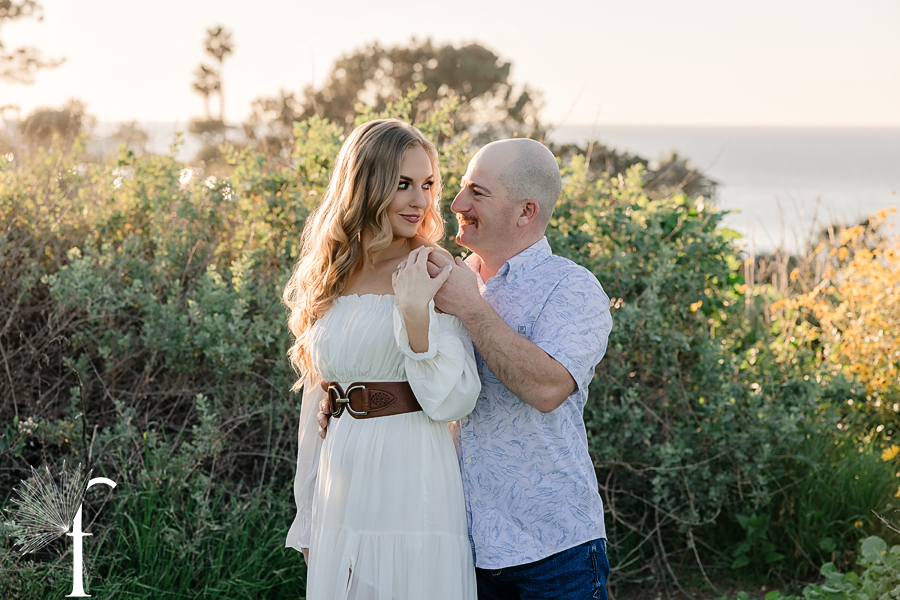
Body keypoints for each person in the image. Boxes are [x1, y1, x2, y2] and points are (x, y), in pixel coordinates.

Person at [319, 137, 613, 599]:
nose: (455, 203)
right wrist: (343, 402)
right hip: (461, 541)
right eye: (457, 188)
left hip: (551, 550)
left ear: (525, 212)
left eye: (477, 192)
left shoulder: (571, 289)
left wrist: (471, 309)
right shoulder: (443, 273)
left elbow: (548, 389)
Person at [284, 118, 480, 599]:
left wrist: (415, 314)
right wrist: (308, 512)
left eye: (428, 185)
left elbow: (455, 398)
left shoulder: (433, 269)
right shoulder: (332, 273)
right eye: (403, 185)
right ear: (366, 186)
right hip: (342, 477)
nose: (421, 201)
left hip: (413, 470)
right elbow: (317, 401)